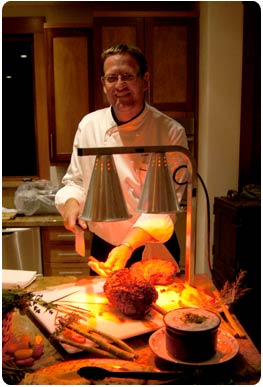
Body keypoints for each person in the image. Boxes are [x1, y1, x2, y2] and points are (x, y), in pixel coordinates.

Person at [55, 43, 188, 276]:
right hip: (104, 244)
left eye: (127, 76)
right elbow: (75, 181)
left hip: (152, 248)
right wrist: (71, 204)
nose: (119, 85)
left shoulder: (170, 132)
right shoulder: (89, 126)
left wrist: (127, 245)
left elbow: (165, 210)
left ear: (145, 81)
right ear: (103, 84)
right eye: (111, 78)